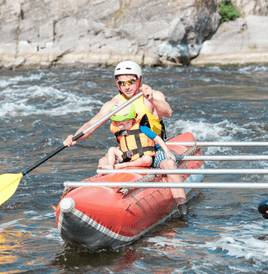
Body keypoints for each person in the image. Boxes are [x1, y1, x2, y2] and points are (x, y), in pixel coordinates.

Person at [63, 61, 189, 221]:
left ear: (139, 79)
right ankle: (104, 203)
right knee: (103, 161)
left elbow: (168, 112)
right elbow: (91, 124)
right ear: (117, 83)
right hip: (127, 151)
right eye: (122, 83)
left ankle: (184, 211)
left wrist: (152, 100)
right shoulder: (113, 104)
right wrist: (74, 137)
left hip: (153, 148)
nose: (127, 86)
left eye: (131, 81)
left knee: (169, 165)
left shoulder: (153, 95)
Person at [100, 103, 176, 170]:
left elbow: (157, 138)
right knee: (111, 149)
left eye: (128, 123)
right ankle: (110, 165)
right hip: (127, 157)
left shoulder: (142, 128)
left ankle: (124, 165)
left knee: (147, 159)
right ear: (116, 123)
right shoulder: (119, 132)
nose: (125, 126)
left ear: (133, 120)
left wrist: (166, 151)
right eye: (121, 124)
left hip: (142, 157)